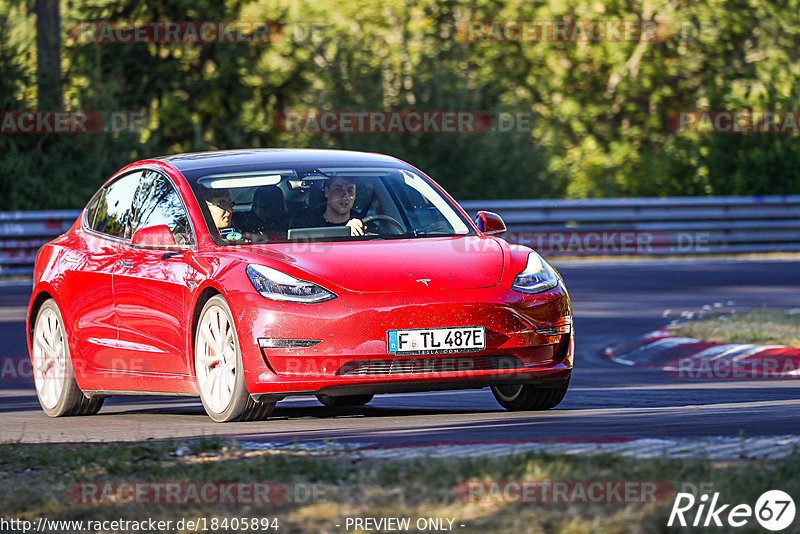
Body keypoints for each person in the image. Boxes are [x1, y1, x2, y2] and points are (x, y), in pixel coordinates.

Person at [293, 176, 365, 236]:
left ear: (355, 195)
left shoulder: (362, 225)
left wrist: (358, 231)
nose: (345, 195)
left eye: (350, 190)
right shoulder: (307, 225)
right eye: (339, 189)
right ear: (327, 191)